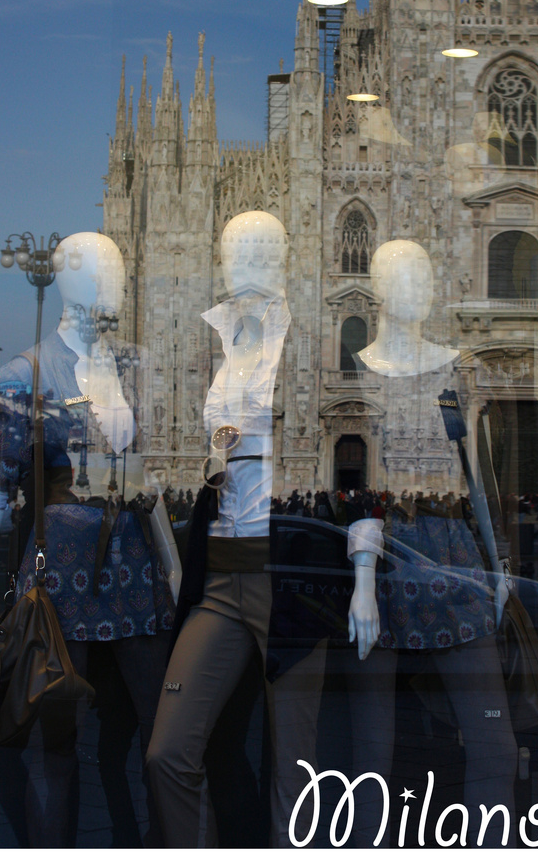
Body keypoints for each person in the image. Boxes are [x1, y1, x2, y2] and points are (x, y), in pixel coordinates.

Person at [0, 231, 181, 847]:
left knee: (161, 729)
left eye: (117, 270)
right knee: (59, 739)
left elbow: (146, 477)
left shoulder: (133, 364)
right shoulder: (25, 371)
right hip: (62, 567)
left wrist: (173, 568)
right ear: (68, 280)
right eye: (102, 272)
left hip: (134, 562)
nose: (114, 282)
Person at [146, 210, 326, 848]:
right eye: (231, 251)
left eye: (257, 250)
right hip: (221, 573)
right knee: (167, 753)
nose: (241, 262)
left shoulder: (305, 335)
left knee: (293, 770)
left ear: (284, 257)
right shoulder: (220, 342)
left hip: (291, 578)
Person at [345, 240, 517, 847]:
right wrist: (363, 581)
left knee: (493, 740)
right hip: (384, 557)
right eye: (404, 276)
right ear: (379, 289)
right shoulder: (358, 362)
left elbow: (479, 476)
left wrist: (499, 569)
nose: (420, 287)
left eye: (425, 274)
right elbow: (358, 489)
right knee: (372, 748)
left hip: (453, 555)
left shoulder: (456, 364)